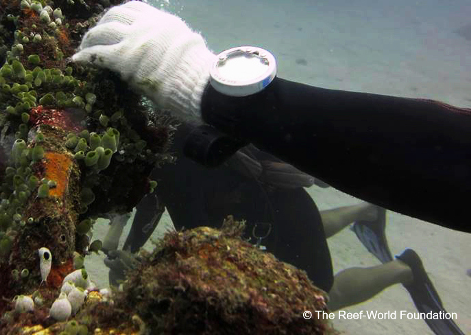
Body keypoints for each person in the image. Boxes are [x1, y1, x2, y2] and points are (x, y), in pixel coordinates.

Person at [73, 0, 471, 233]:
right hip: (265, 171)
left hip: (265, 177)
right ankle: (366, 213)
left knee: (318, 287)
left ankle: (380, 236)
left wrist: (219, 98)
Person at [101, 124, 465, 335]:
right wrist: (123, 243)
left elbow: (201, 250)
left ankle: (405, 268)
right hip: (266, 214)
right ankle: (365, 211)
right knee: (291, 238)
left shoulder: (171, 163)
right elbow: (150, 198)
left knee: (315, 301)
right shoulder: (167, 143)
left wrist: (137, 268)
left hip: (277, 211)